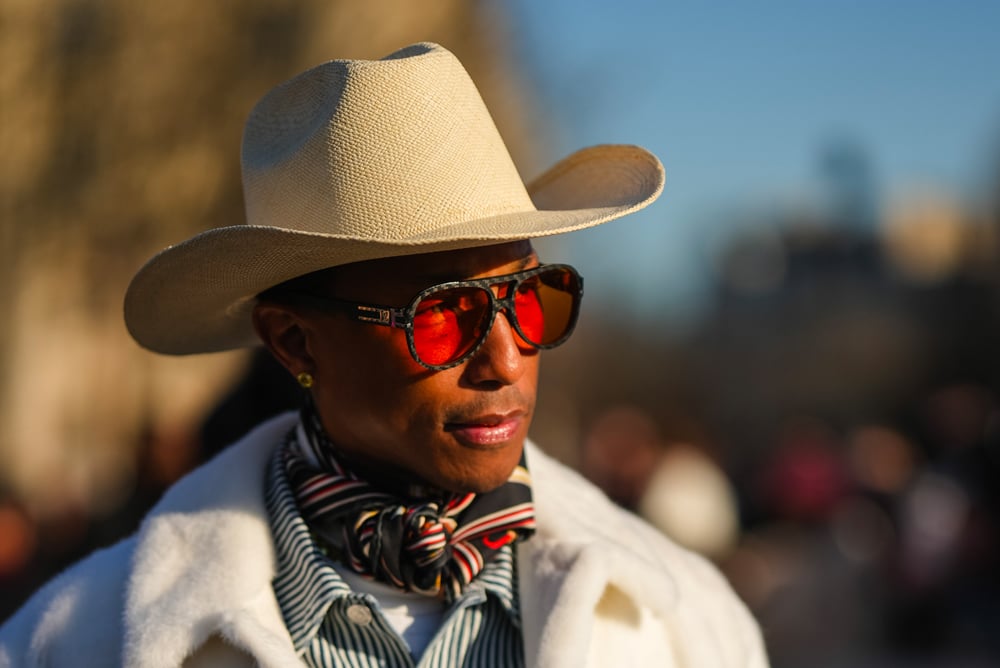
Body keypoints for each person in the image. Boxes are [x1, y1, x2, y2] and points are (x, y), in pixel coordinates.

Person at [0, 43, 767, 667]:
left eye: (534, 299)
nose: (505, 359)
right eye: (442, 317)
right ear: (294, 340)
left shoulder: (686, 619)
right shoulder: (70, 643)